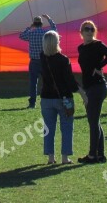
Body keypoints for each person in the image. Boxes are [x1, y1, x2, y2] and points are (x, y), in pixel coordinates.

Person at [40, 31, 87, 164]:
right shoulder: (63, 60)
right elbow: (70, 81)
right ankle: (65, 157)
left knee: (48, 128)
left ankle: (50, 157)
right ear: (57, 43)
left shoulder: (42, 58)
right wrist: (82, 92)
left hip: (46, 98)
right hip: (64, 98)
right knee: (66, 128)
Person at [77, 21, 107, 164]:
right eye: (86, 29)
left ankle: (93, 155)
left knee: (93, 122)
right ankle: (100, 155)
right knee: (94, 121)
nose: (89, 31)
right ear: (81, 32)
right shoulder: (80, 48)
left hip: (97, 87)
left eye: (92, 29)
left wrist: (99, 66)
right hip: (88, 88)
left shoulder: (98, 45)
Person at [19, 14, 56, 109]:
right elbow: (54, 29)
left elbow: (21, 35)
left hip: (34, 62)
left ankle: (32, 103)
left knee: (33, 83)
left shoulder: (31, 33)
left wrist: (29, 27)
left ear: (34, 24)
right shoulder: (46, 33)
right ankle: (46, 100)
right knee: (47, 82)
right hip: (45, 61)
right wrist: (49, 18)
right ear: (42, 24)